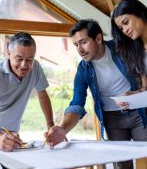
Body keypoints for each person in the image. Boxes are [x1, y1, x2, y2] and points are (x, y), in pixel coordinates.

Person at [46, 19, 147, 169]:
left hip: (140, 114)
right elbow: (76, 103)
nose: (80, 50)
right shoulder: (83, 70)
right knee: (121, 165)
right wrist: (63, 128)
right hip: (112, 120)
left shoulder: (121, 48)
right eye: (76, 45)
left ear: (98, 38)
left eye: (83, 42)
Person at [0, 32, 54, 169]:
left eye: (29, 59)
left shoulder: (36, 68)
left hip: (10, 131)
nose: (24, 65)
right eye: (19, 58)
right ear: (8, 53)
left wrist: (51, 126)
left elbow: (42, 95)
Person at [111, 0, 147, 108]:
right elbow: (145, 88)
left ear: (140, 13)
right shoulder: (136, 52)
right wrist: (130, 95)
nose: (125, 30)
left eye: (126, 22)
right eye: (121, 28)